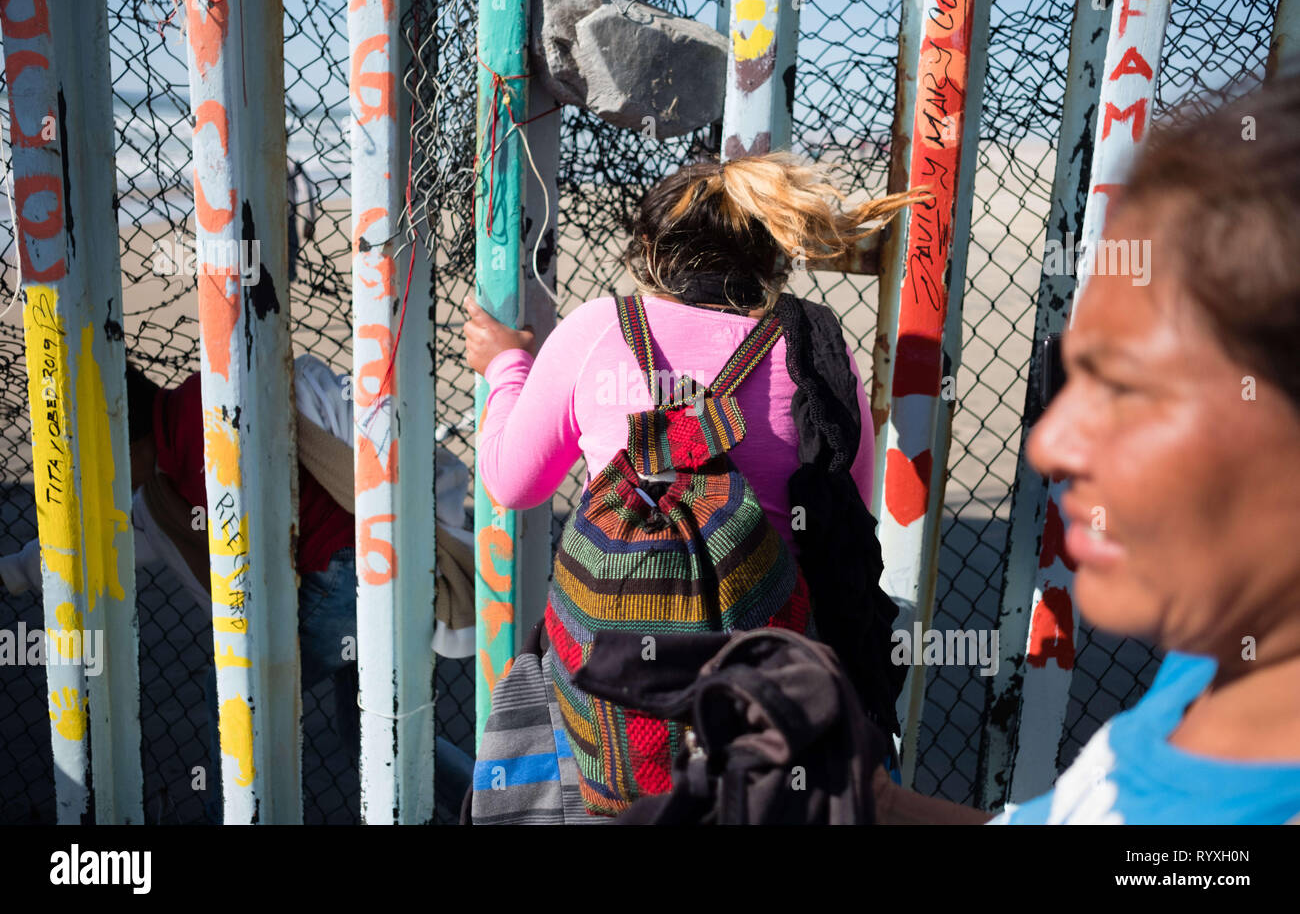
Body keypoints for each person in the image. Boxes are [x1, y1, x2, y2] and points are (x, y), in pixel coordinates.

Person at [874, 76, 1300, 825]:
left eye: (1128, 388)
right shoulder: (1220, 666)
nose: (1047, 444)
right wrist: (867, 802)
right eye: (1070, 377)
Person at [463, 151, 925, 750]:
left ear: (649, 252)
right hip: (770, 683)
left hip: (618, 676)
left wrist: (506, 366)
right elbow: (850, 507)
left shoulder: (598, 330)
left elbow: (511, 482)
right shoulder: (812, 351)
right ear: (772, 257)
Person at [1, 355, 477, 821]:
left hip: (344, 575)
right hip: (365, 569)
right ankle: (483, 805)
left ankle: (232, 813)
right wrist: (15, 571)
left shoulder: (201, 431)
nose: (102, 480)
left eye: (101, 463)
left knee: (238, 691)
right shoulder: (169, 467)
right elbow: (102, 536)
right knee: (373, 725)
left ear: (127, 443)